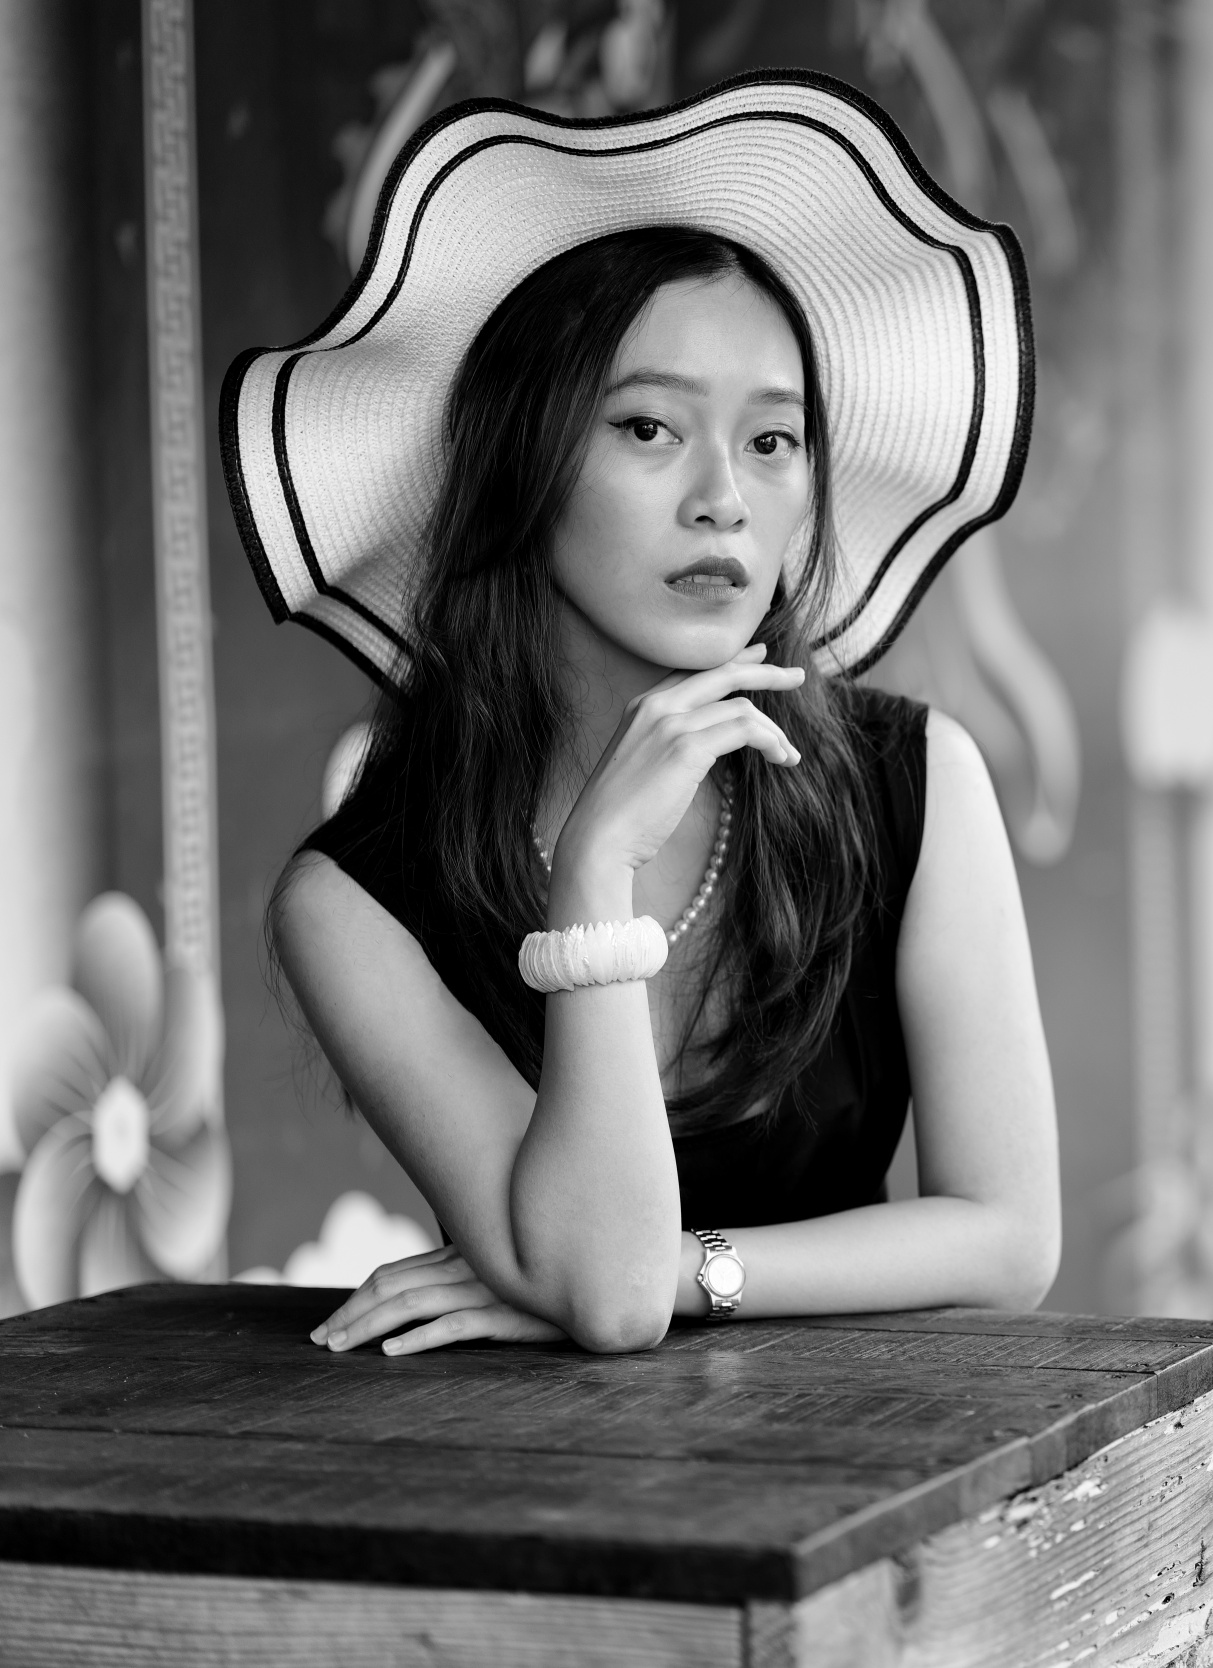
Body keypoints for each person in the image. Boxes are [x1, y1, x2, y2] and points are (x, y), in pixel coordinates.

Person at [226, 77, 1056, 1357]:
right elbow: (605, 1304)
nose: (725, 497)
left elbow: (1008, 1242)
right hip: (534, 1473)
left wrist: (673, 1268)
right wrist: (595, 867)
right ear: (523, 465)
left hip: (879, 1448)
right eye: (651, 427)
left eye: (773, 442)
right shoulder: (354, 901)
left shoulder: (917, 778)